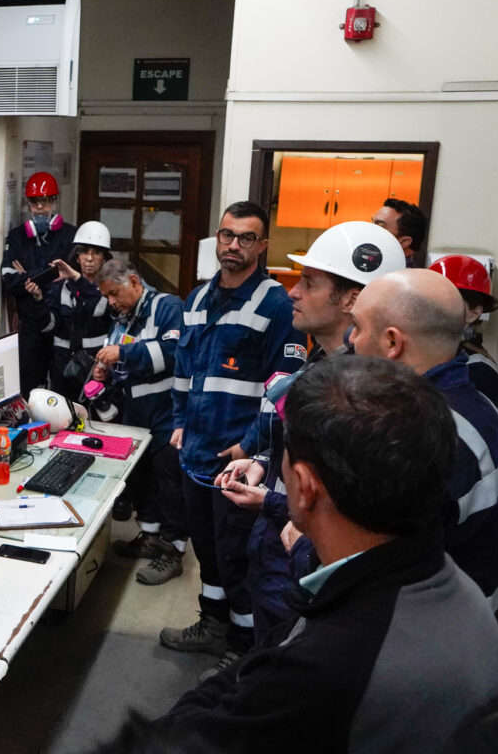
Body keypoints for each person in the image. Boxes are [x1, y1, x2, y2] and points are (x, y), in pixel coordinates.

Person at [157, 356, 498, 753]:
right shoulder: (433, 577)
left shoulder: (326, 670)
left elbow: (177, 738)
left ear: (305, 485)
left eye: (283, 457)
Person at [216, 221, 406, 653]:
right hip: (279, 552)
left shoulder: (360, 395)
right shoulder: (321, 360)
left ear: (352, 300)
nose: (293, 293)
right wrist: (264, 461)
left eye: (309, 282)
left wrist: (273, 503)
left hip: (307, 567)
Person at [161, 201, 305, 664]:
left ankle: (242, 653)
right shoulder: (198, 299)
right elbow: (183, 372)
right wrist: (180, 421)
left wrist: (252, 443)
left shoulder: (276, 304)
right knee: (208, 551)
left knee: (239, 558)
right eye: (227, 235)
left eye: (246, 238)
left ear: (262, 245)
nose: (234, 246)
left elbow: (283, 389)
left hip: (240, 462)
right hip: (196, 454)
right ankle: (213, 624)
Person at [349, 268, 498, 606]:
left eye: (359, 327)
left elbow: (364, 568)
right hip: (468, 618)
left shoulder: (416, 439)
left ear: (393, 342)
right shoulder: (476, 403)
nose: (351, 340)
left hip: (423, 630)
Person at [91, 262, 187, 586]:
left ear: (133, 281)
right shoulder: (122, 317)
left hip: (167, 411)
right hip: (136, 412)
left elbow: (174, 353)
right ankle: (148, 537)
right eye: (107, 297)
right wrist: (107, 369)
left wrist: (124, 354)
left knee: (170, 484)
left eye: (114, 294)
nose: (112, 303)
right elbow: (120, 355)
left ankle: (173, 552)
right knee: (143, 479)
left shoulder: (168, 307)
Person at [2, 172, 77, 395]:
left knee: (62, 386)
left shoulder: (70, 235)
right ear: (29, 204)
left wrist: (27, 275)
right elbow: (9, 281)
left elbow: (71, 276)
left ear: (55, 201)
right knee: (29, 387)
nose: (41, 207)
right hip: (30, 325)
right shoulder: (17, 237)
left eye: (46, 201)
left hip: (62, 323)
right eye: (35, 202)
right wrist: (49, 273)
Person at [43, 220, 113, 401]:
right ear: (77, 256)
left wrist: (76, 277)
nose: (89, 258)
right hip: (62, 365)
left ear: (104, 258)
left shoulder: (110, 287)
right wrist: (36, 301)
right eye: (84, 252)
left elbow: (99, 304)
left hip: (96, 365)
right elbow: (49, 323)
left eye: (96, 253)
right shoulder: (62, 287)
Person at [430, 254, 498, 409]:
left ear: (474, 314)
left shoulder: (479, 373)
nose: (434, 307)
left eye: (449, 300)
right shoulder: (427, 351)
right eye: (430, 298)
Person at [372, 197, 429, 267]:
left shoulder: (410, 277)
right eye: (372, 224)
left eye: (380, 226)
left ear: (404, 241)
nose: (369, 230)